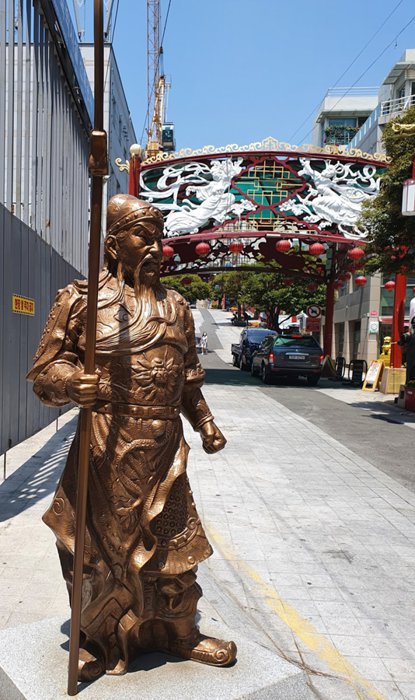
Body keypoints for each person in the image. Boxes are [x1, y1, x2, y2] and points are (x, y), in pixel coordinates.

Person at [27, 194, 236, 681]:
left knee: (177, 548)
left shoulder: (176, 306)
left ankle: (180, 633)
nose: (156, 248)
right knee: (96, 554)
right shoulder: (79, 300)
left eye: (160, 238)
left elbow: (187, 378)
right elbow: (45, 371)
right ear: (113, 243)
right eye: (144, 236)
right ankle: (98, 639)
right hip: (106, 445)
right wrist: (70, 383)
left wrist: (205, 422)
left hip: (164, 451)